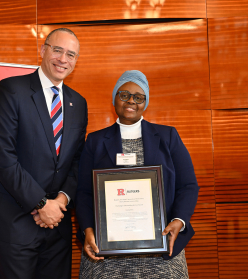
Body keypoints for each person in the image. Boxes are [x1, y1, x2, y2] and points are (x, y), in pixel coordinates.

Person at [0, 28, 88, 279]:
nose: (63, 59)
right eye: (57, 50)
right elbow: (2, 157)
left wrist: (59, 202)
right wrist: (41, 204)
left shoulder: (78, 102)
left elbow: (76, 160)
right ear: (43, 50)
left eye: (71, 54)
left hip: (57, 224)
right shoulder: (11, 90)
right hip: (16, 221)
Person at [75, 70, 199, 278]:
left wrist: (179, 220)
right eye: (124, 94)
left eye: (139, 97)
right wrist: (88, 230)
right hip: (107, 255)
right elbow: (84, 192)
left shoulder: (168, 137)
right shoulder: (95, 141)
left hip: (160, 251)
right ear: (114, 98)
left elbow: (188, 185)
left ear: (145, 102)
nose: (131, 101)